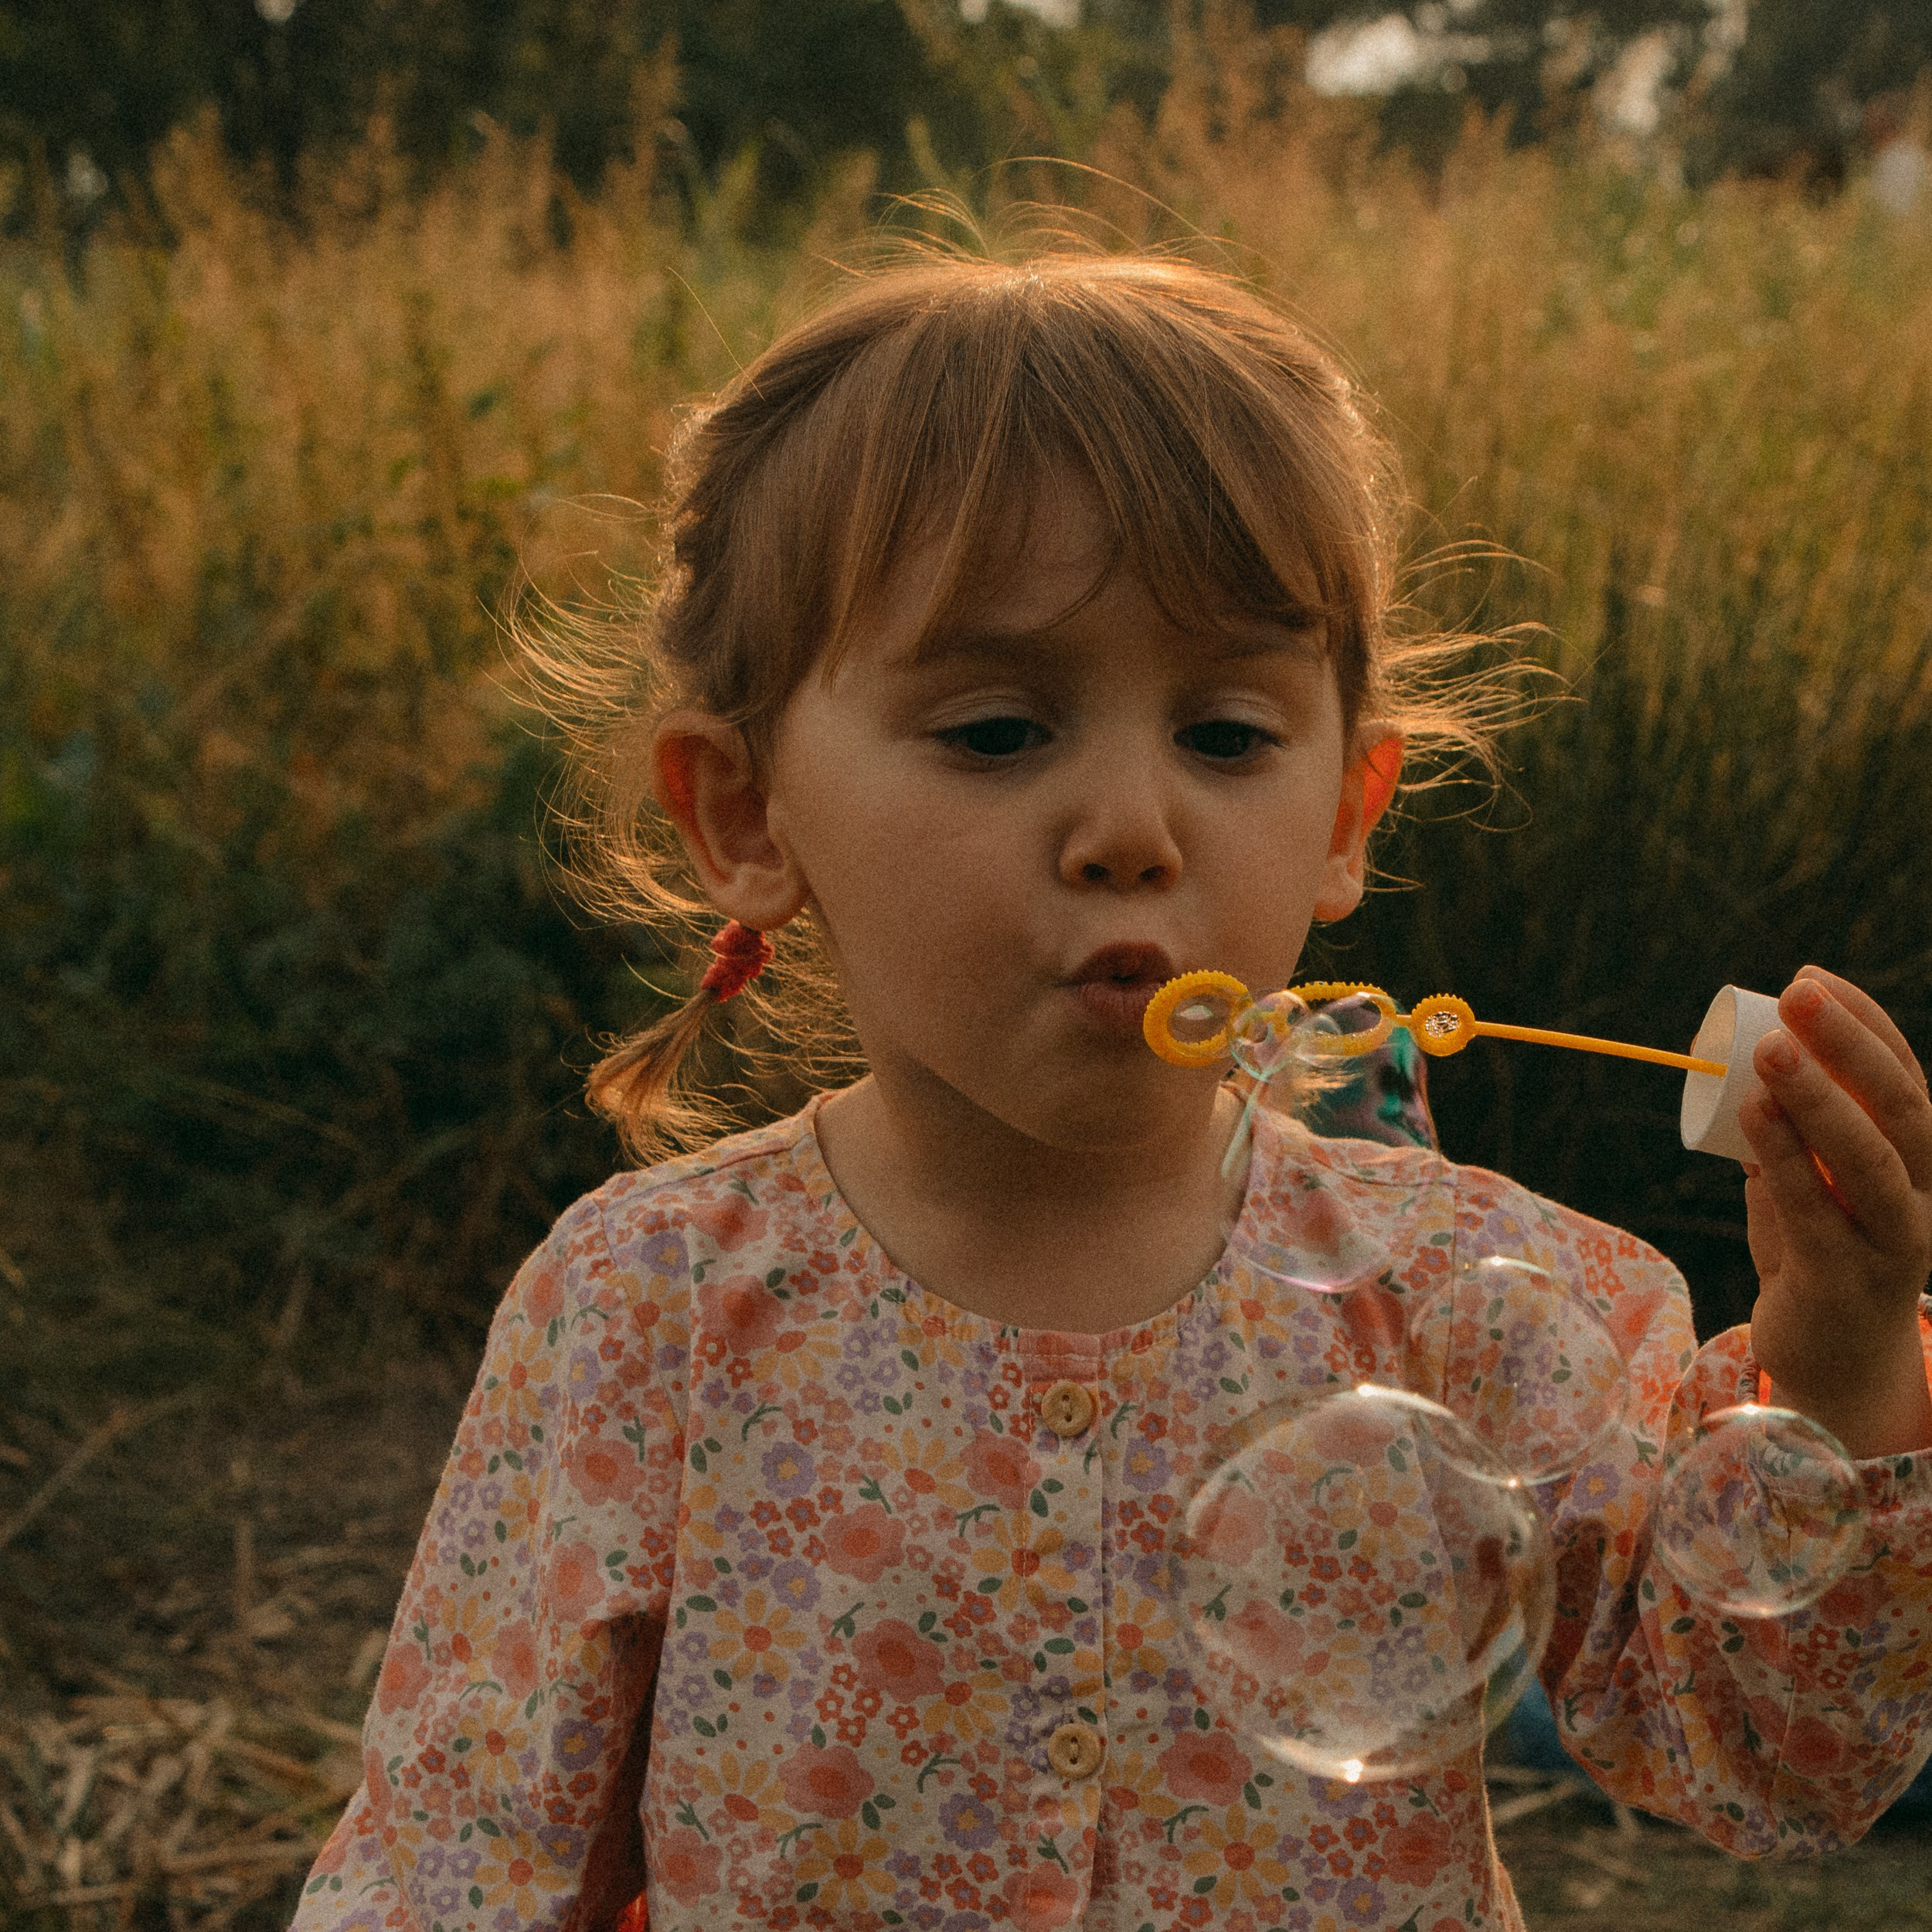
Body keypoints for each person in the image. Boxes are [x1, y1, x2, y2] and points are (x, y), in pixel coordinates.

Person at [292, 252, 1932, 1932]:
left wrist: (1840, 1351)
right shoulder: (646, 1311)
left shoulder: (1470, 1303)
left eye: (1226, 733)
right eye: (998, 727)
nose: (1132, 823)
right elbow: (451, 1862)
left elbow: (1773, 1762)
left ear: (1347, 809)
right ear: (745, 814)